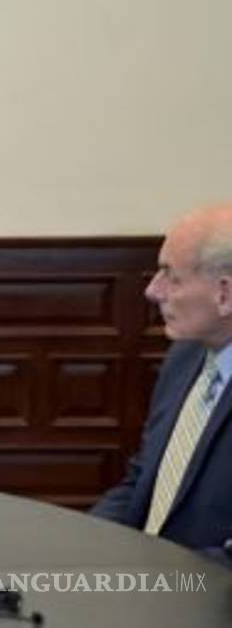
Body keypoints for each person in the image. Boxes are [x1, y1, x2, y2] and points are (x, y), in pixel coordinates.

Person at [91, 203, 232, 563]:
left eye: (171, 275)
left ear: (225, 294)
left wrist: (153, 579)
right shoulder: (184, 357)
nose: (153, 290)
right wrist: (83, 542)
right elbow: (143, 480)